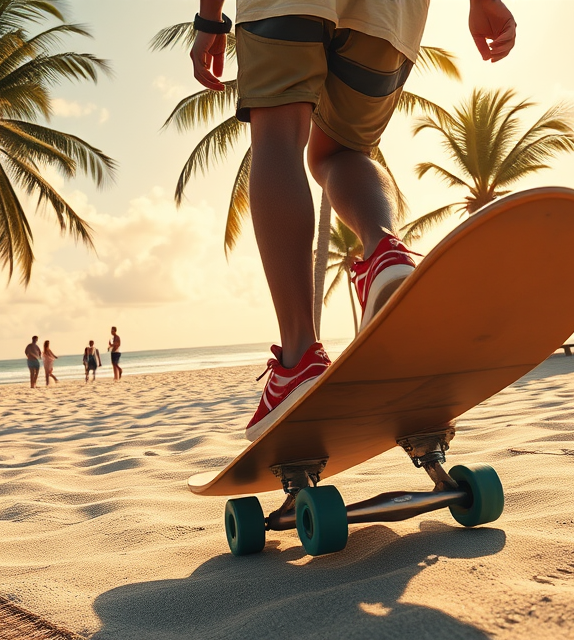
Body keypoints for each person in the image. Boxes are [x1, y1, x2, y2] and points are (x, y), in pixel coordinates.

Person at [190, 0, 516, 440]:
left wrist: (209, 17)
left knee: (279, 137)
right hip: (394, 12)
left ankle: (299, 358)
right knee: (340, 151)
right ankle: (384, 252)